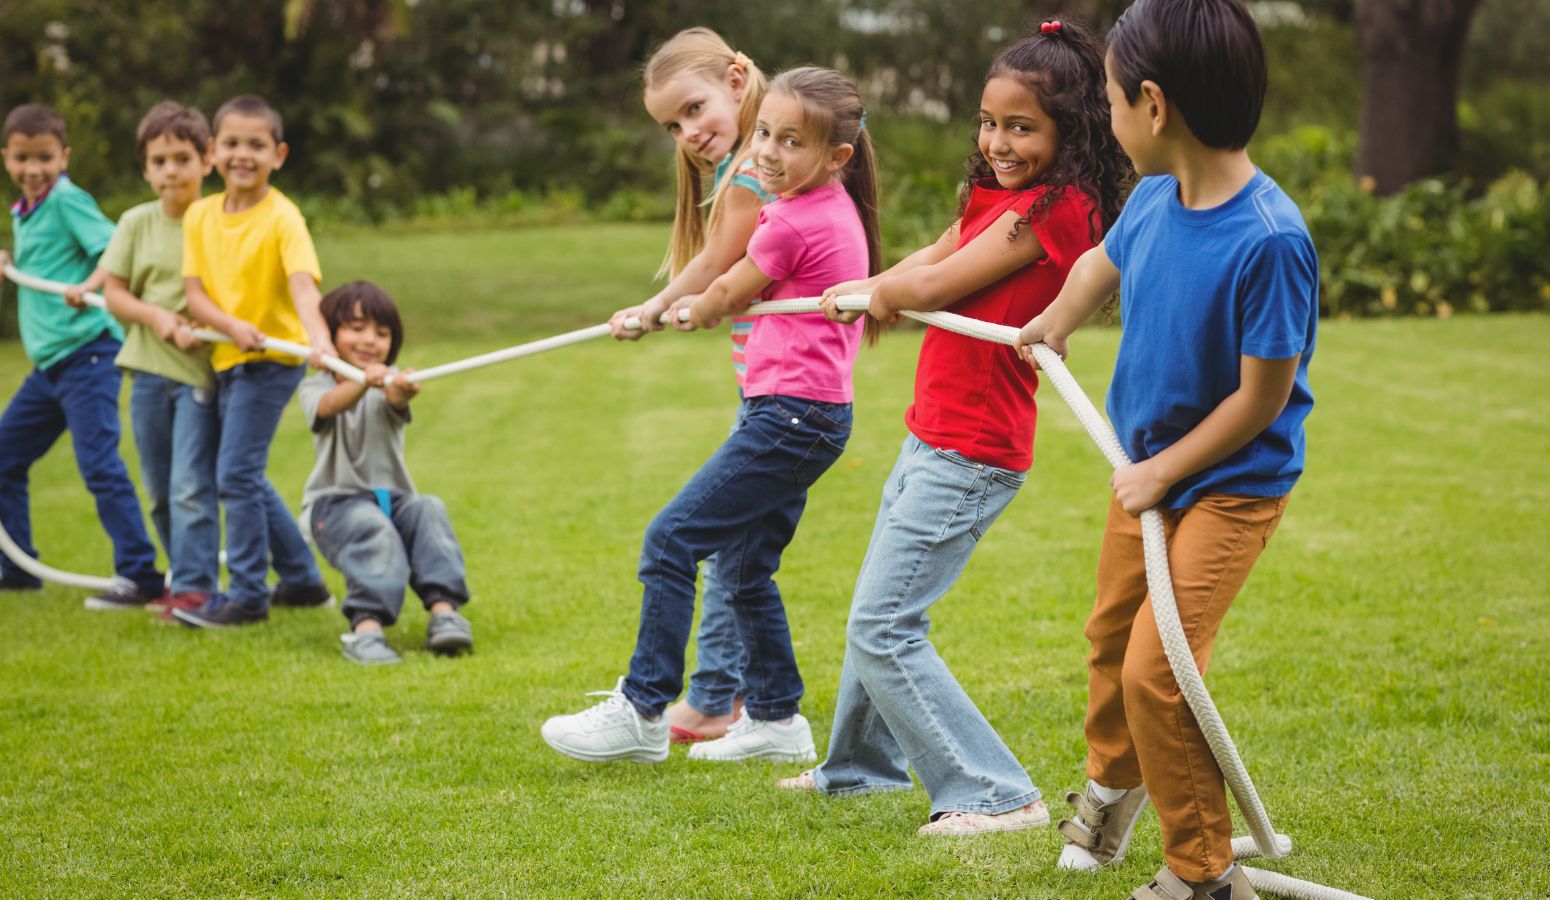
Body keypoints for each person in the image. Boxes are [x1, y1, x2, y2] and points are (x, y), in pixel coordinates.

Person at [782, 21, 1131, 838]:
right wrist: (873, 283)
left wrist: (886, 293)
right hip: (929, 434)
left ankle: (994, 791)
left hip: (972, 453)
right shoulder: (995, 197)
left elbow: (943, 280)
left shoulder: (1060, 209)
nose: (998, 141)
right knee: (877, 613)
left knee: (883, 623)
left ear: (1068, 130)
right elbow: (930, 257)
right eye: (988, 120)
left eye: (1021, 126)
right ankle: (859, 770)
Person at [1016, 1, 1317, 896]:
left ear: (1154, 105)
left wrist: (1163, 471)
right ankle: (1114, 791)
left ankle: (1200, 874)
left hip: (1228, 486)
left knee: (1160, 668)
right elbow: (1098, 267)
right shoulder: (1153, 198)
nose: (1107, 123)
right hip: (1149, 473)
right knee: (1113, 639)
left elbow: (1262, 398)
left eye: (1108, 103)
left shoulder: (1270, 240)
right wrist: (1057, 320)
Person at [542, 66, 880, 764]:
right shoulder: (829, 202)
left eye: (791, 141)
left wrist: (688, 310)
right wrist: (660, 309)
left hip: (789, 417)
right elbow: (725, 282)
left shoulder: (796, 217)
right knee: (744, 568)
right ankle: (779, 721)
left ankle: (642, 709)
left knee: (671, 539)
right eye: (764, 133)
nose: (767, 151)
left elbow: (729, 287)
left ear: (836, 156)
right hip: (807, 415)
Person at [606, 26, 776, 744]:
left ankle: (701, 702)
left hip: (781, 398)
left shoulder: (749, 172)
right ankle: (732, 703)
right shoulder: (755, 162)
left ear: (738, 80)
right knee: (740, 553)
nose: (687, 133)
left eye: (694, 110)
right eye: (673, 126)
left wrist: (653, 307)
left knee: (700, 542)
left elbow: (715, 263)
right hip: (766, 388)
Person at [173, 95, 335, 628]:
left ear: (279, 154)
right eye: (234, 144)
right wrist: (229, 326)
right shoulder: (200, 215)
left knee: (235, 474)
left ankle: (245, 595)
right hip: (227, 357)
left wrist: (322, 344)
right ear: (214, 151)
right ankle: (303, 581)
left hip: (273, 361)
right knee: (242, 473)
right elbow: (194, 295)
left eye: (257, 145)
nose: (244, 155)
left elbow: (304, 290)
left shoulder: (284, 217)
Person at [0, 103, 166, 608]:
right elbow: (45, 260)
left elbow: (114, 247)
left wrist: (89, 285)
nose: (34, 169)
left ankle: (140, 576)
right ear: (6, 158)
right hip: (50, 366)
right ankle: (18, 566)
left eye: (45, 158)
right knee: (4, 457)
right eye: (23, 158)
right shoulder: (25, 210)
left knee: (98, 464)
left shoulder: (68, 200)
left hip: (88, 352)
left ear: (64, 157)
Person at [297, 282, 473, 665]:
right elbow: (328, 406)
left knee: (429, 509)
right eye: (357, 328)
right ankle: (366, 631)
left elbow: (395, 401)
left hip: (392, 498)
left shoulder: (388, 381)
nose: (369, 340)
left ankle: (445, 614)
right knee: (370, 529)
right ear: (331, 332)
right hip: (335, 505)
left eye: (381, 332)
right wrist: (364, 381)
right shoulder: (316, 385)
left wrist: (399, 390)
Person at [99, 101, 220, 620]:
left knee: (192, 486)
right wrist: (157, 318)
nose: (171, 171)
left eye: (182, 158)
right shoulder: (135, 222)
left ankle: (196, 588)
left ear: (205, 161)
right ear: (146, 168)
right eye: (159, 161)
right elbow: (115, 294)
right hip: (147, 371)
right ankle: (182, 579)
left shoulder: (218, 220)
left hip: (199, 375)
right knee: (159, 488)